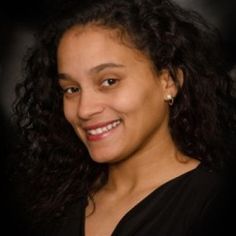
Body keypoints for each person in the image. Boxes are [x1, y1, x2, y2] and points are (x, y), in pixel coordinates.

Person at [12, 0, 235, 235]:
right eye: (71, 89)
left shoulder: (213, 204)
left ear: (168, 81)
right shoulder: (53, 206)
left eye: (109, 81)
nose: (84, 110)